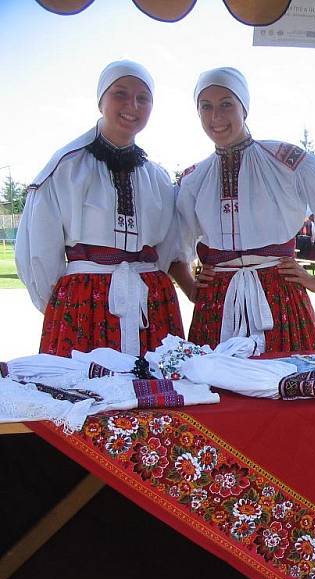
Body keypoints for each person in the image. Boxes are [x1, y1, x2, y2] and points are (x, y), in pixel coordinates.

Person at [175, 67, 315, 352]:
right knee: (217, 393)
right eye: (206, 107)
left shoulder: (285, 161)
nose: (216, 117)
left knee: (284, 386)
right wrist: (189, 286)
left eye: (226, 104)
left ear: (244, 108)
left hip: (278, 297)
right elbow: (173, 244)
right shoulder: (193, 179)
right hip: (217, 303)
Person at [15, 60, 187, 358]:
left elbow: (170, 246)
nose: (132, 105)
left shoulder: (157, 177)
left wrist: (151, 286)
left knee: (156, 395)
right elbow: (38, 252)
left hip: (150, 301)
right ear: (101, 100)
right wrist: (64, 306)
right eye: (120, 93)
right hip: (85, 304)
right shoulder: (65, 168)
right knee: (85, 395)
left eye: (142, 97)